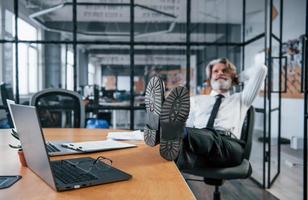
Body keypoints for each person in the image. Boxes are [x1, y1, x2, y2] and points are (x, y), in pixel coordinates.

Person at [144, 55, 267, 169]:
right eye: (216, 71)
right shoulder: (197, 100)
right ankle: (163, 128)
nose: (220, 73)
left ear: (232, 76)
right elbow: (184, 121)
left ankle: (164, 131)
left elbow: (261, 69)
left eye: (225, 71)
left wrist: (237, 77)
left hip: (228, 147)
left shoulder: (242, 99)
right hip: (196, 143)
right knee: (179, 142)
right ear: (209, 78)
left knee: (194, 134)